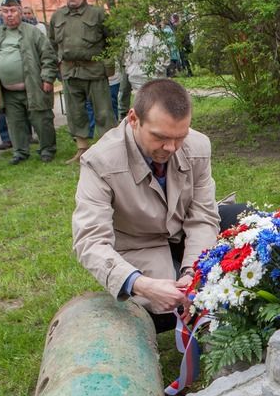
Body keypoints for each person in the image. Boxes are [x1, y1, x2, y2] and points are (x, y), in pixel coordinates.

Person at [72, 79, 220, 333]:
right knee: (165, 309)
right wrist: (142, 285)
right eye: (160, 137)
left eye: (180, 137)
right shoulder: (99, 162)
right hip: (139, 246)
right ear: (133, 119)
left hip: (185, 235)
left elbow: (203, 217)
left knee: (251, 238)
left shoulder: (198, 145)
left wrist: (193, 272)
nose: (171, 148)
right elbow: (90, 241)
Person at [0, 0, 58, 164]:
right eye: (5, 11)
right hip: (7, 90)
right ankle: (20, 152)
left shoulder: (33, 32)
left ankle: (47, 149)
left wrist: (47, 78)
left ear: (20, 11)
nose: (9, 15)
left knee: (42, 119)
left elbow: (48, 56)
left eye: (13, 11)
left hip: (33, 86)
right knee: (15, 123)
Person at [49, 0, 115, 164]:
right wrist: (58, 63)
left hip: (94, 70)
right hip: (70, 71)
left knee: (103, 112)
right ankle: (82, 149)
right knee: (75, 113)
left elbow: (112, 39)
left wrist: (108, 64)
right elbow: (52, 43)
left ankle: (109, 150)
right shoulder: (58, 17)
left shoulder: (97, 14)